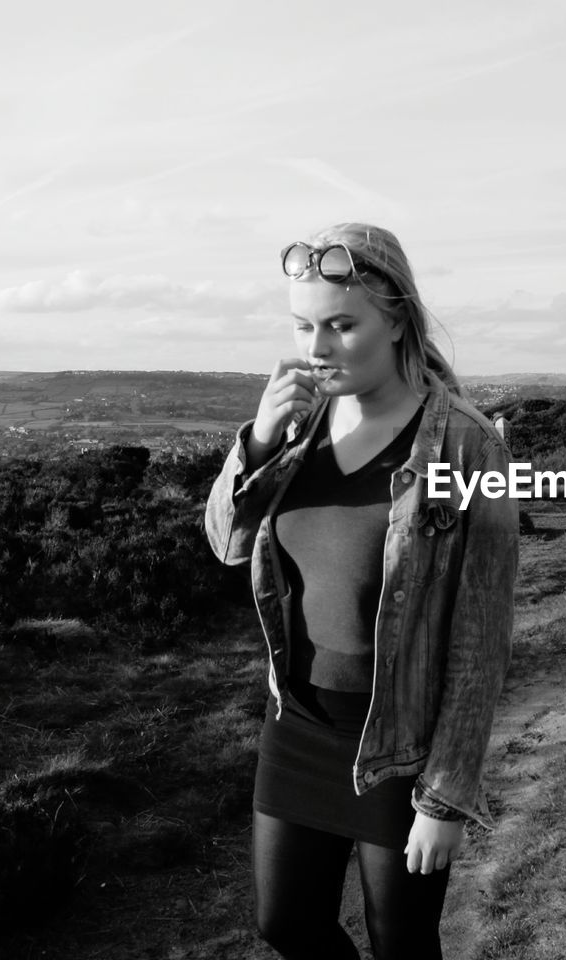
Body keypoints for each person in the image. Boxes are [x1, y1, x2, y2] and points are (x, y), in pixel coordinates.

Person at [204, 223, 519, 960]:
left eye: (342, 326)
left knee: (401, 943)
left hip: (401, 744)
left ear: (397, 318)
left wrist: (445, 798)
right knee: (286, 924)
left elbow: (480, 641)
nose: (317, 349)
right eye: (304, 325)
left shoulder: (471, 447)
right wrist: (255, 445)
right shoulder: (297, 426)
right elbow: (227, 544)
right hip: (299, 721)